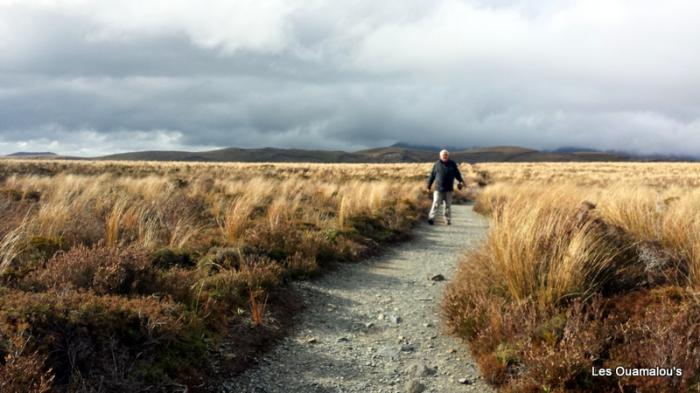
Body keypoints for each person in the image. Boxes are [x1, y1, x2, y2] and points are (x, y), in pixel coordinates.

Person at [426, 149, 464, 225]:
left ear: (448, 156)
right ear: (440, 156)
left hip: (449, 189)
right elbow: (432, 176)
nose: (445, 156)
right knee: (436, 203)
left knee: (447, 206)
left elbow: (457, 174)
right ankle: (431, 218)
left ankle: (447, 220)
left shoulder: (452, 164)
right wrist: (428, 186)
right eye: (443, 155)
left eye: (446, 155)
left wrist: (460, 181)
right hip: (438, 188)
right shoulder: (436, 164)